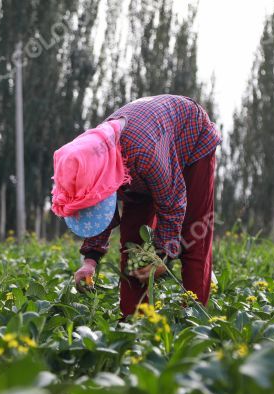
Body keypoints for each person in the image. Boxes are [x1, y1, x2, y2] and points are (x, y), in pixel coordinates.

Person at [51, 95, 222, 316]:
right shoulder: (91, 158)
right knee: (133, 244)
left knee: (193, 233)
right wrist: (90, 261)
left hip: (190, 137)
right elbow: (99, 208)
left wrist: (161, 255)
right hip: (144, 158)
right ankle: (133, 322)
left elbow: (173, 203)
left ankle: (194, 319)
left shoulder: (145, 155)